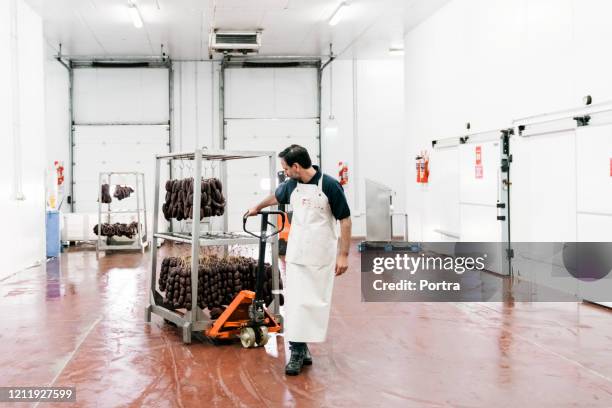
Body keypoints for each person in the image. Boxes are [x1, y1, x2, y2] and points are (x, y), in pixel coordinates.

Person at [246, 144, 352, 376]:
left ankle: (303, 347)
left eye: (285, 168)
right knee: (295, 304)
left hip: (321, 256)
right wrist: (257, 207)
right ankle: (296, 351)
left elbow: (345, 220)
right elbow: (275, 196)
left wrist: (343, 255)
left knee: (313, 305)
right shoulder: (291, 185)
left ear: (296, 166)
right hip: (296, 255)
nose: (284, 172)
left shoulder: (330, 186)